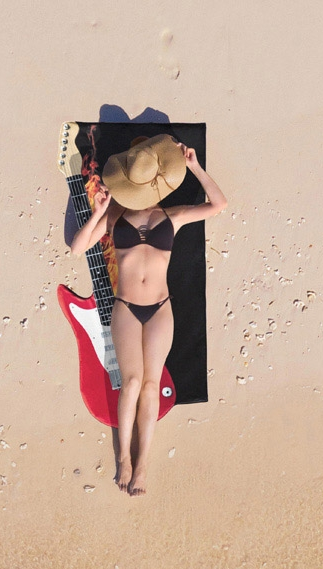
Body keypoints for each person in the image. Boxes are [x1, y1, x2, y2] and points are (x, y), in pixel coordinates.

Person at [70, 134, 227, 495]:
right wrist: (98, 212)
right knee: (132, 383)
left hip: (159, 309)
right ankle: (124, 456)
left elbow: (219, 204)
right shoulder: (114, 215)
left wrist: (195, 167)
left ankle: (142, 466)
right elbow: (79, 248)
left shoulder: (173, 216)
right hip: (126, 306)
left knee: (152, 384)